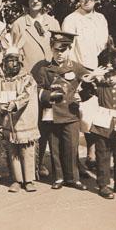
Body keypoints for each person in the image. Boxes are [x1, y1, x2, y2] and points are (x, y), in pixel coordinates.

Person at [5, 0, 60, 177]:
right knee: (30, 122)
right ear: (26, 2)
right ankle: (30, 167)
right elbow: (13, 54)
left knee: (48, 123)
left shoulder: (53, 23)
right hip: (28, 81)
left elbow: (58, 49)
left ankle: (43, 163)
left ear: (44, 1)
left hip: (49, 79)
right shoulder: (19, 24)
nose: (35, 1)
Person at [62, 0, 109, 171]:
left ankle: (91, 153)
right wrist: (76, 73)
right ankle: (74, 160)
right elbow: (67, 49)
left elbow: (103, 46)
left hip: (95, 71)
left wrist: (99, 72)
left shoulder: (100, 19)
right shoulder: (71, 20)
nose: (87, 0)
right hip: (74, 72)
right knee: (74, 114)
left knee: (92, 114)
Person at [35, 30, 90, 191]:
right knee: (55, 147)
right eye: (56, 49)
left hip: (70, 114)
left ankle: (73, 178)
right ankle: (58, 177)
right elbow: (37, 89)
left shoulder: (77, 68)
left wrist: (83, 96)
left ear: (69, 49)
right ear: (51, 48)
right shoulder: (44, 69)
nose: (59, 54)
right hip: (51, 114)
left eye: (63, 50)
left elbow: (91, 85)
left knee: (71, 147)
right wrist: (48, 95)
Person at [82, 46, 116, 199]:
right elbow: (83, 90)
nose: (111, 78)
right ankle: (103, 185)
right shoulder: (100, 86)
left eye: (115, 74)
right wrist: (93, 75)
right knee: (102, 156)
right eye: (108, 74)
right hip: (101, 128)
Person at [0, 46, 40, 193]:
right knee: (12, 151)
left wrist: (14, 104)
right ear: (4, 62)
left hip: (25, 119)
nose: (13, 64)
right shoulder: (0, 79)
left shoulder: (28, 79)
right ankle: (16, 179)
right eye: (10, 60)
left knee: (27, 150)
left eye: (16, 60)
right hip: (9, 122)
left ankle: (29, 180)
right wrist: (0, 106)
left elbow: (26, 95)